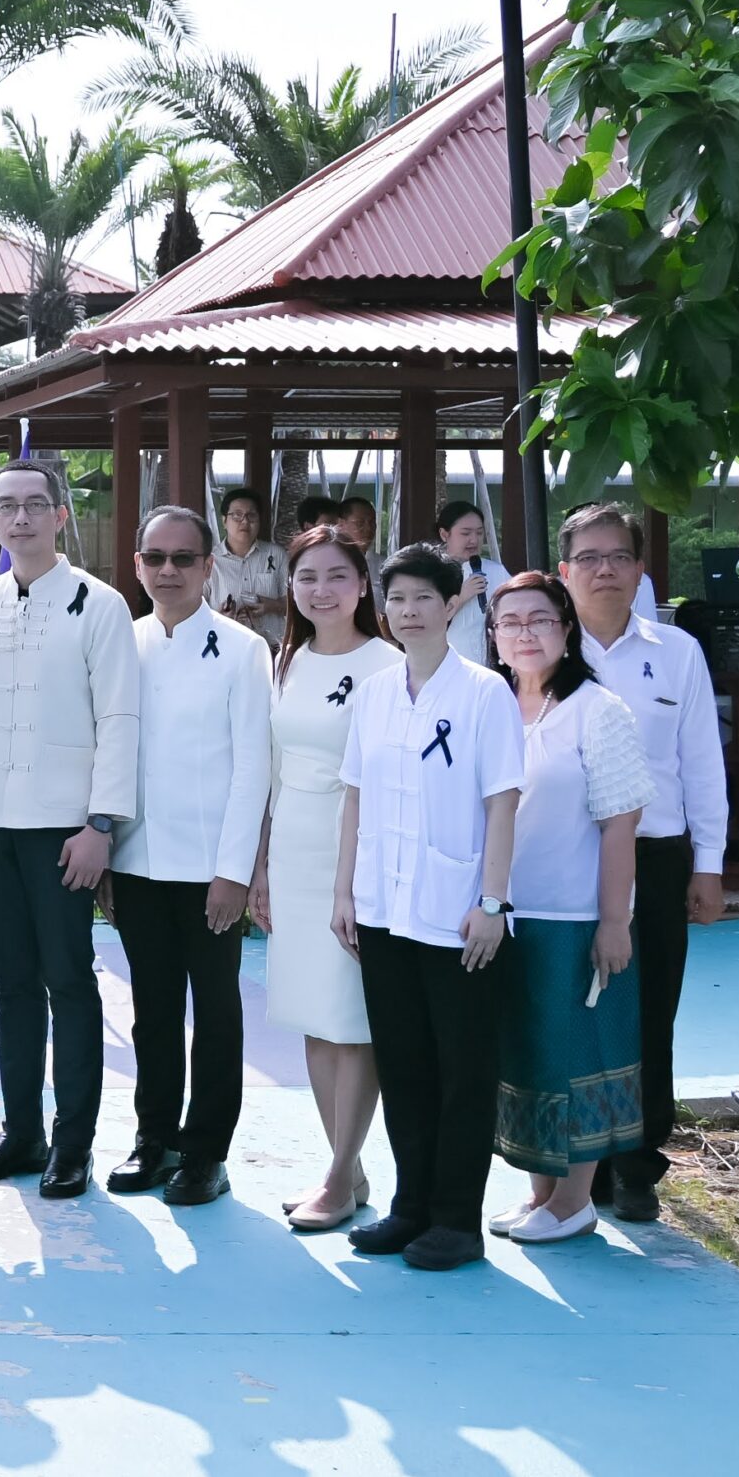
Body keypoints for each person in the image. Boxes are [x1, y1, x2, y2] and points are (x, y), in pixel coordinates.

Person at [0, 459, 139, 1199]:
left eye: (35, 504)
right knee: (13, 986)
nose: (20, 518)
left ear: (61, 515)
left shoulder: (100, 604)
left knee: (70, 983)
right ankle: (20, 1129)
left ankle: (73, 1142)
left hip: (65, 831)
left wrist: (100, 824)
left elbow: (119, 717)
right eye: (7, 506)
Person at [335, 542, 524, 1271]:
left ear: (452, 605)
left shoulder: (484, 692)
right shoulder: (376, 691)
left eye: (423, 598)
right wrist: (345, 891)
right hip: (383, 909)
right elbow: (355, 797)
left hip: (457, 913)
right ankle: (410, 1207)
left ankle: (455, 1219)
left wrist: (493, 902)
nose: (408, 611)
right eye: (397, 599)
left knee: (463, 1070)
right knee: (404, 1064)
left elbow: (502, 801)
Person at [560, 502, 729, 1223]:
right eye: (589, 558)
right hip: (564, 856)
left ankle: (636, 1164)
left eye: (618, 557)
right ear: (564, 570)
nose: (604, 569)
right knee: (573, 1009)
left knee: (649, 1010)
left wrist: (708, 864)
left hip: (656, 856)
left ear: (639, 570)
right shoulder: (537, 647)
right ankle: (579, 1162)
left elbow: (701, 762)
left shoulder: (677, 651)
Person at [103, 508, 271, 1207]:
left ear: (208, 567)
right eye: (155, 558)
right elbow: (109, 752)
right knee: (153, 1009)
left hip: (209, 870)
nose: (167, 570)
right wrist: (107, 852)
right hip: (136, 861)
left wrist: (234, 870)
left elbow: (253, 767)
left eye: (182, 559)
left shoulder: (242, 650)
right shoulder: (121, 643)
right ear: (137, 565)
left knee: (217, 1012)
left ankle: (206, 1152)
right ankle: (155, 1138)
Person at [485, 572, 650, 1244]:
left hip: (573, 917)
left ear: (566, 629)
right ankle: (541, 1193)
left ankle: (576, 1200)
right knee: (523, 1052)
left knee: (574, 1054)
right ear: (493, 636)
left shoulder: (597, 709)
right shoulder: (490, 706)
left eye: (540, 619)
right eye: (510, 621)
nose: (524, 633)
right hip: (502, 915)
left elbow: (620, 821)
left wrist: (613, 921)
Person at [251, 526, 401, 1231]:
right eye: (307, 576)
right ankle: (348, 1168)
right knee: (313, 1018)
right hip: (293, 853)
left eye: (338, 575)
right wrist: (260, 865)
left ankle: (339, 1179)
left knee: (352, 1021)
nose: (321, 590)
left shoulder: (388, 665)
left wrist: (357, 879)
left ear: (363, 585)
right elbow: (274, 772)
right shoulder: (287, 661)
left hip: (358, 856)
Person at [209, 488, 287, 651]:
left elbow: (295, 603)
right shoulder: (210, 561)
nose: (244, 521)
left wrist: (272, 606)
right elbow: (194, 609)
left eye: (251, 515)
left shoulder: (276, 554)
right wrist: (220, 617)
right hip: (224, 647)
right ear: (224, 521)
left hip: (271, 649)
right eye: (237, 515)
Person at [437, 501, 509, 666]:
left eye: (479, 533)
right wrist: (461, 597)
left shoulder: (496, 571)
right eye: (465, 533)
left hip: (492, 665)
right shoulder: (431, 573)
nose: (474, 540)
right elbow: (426, 621)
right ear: (444, 534)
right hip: (448, 664)